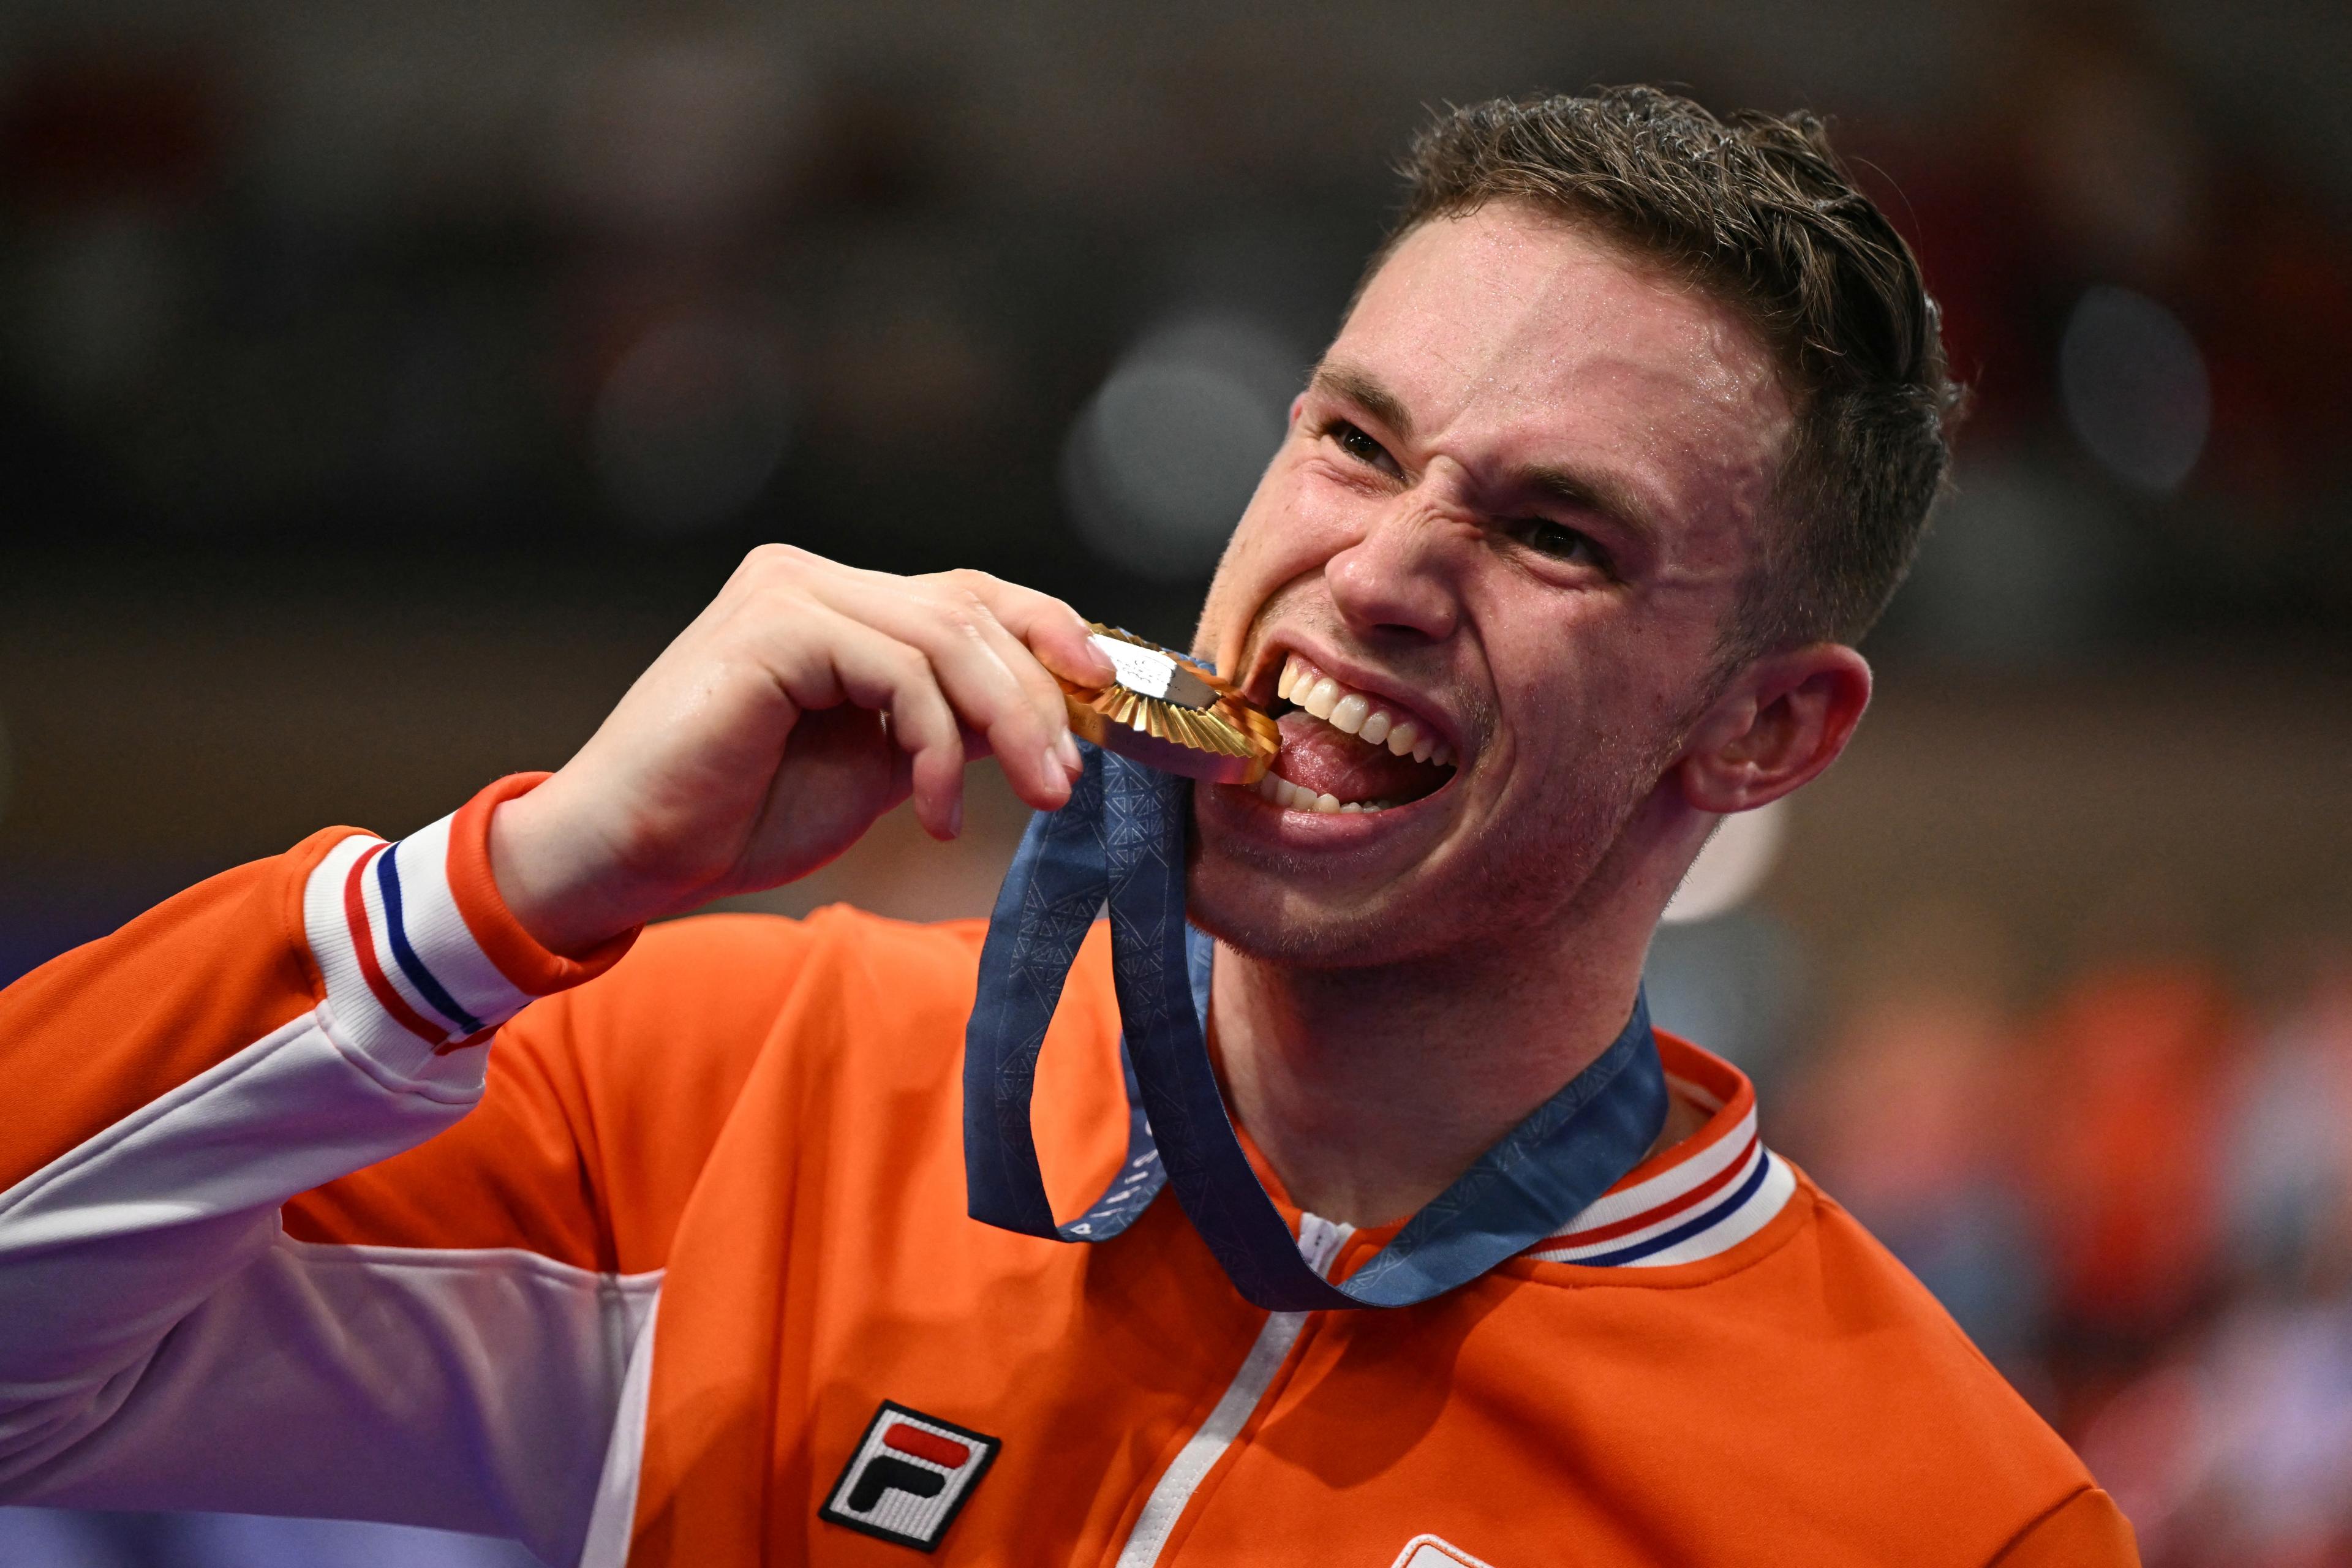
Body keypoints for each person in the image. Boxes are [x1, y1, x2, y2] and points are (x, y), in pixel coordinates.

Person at [0, 88, 2136, 1567]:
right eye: (1354, 441)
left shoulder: (1939, 1517)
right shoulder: (746, 1093)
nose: (1381, 568)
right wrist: (521, 883)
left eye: (1554, 532)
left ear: (1765, 733)